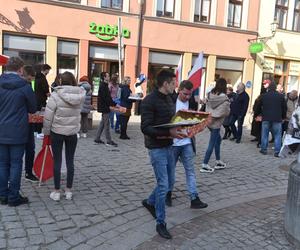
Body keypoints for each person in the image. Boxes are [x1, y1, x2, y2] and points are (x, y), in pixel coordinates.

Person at [141, 70, 185, 239]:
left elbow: (171, 121)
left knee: (170, 182)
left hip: (169, 146)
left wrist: (184, 125)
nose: (176, 86)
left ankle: (150, 202)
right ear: (166, 84)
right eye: (174, 83)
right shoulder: (148, 101)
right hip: (156, 148)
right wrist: (169, 132)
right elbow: (145, 127)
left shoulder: (169, 98)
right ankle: (161, 223)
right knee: (164, 185)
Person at [43, 71, 85, 201]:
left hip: (57, 131)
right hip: (72, 132)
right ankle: (68, 190)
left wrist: (46, 132)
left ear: (60, 81)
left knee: (57, 161)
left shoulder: (55, 96)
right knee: (70, 160)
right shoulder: (80, 94)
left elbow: (48, 117)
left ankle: (56, 191)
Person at [0, 57, 37, 206]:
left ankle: (2, 195)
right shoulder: (25, 86)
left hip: (1, 130)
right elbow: (33, 108)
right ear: (21, 69)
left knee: (2, 163)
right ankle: (13, 197)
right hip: (18, 131)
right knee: (15, 164)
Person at [167, 80, 208, 209]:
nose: (187, 97)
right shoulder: (170, 101)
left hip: (187, 141)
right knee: (170, 170)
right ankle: (167, 193)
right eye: (185, 94)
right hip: (172, 142)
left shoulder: (192, 102)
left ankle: (194, 197)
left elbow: (194, 119)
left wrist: (199, 124)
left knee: (190, 170)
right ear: (179, 90)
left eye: (189, 94)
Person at [200, 78, 230, 173]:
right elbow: (224, 111)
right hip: (216, 124)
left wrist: (210, 115)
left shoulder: (211, 94)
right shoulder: (224, 97)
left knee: (218, 140)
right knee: (212, 143)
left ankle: (218, 161)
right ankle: (205, 164)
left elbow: (209, 108)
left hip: (209, 121)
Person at [258, 82, 287, 157]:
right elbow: (284, 108)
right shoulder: (281, 96)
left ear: (269, 88)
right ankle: (277, 151)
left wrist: (259, 114)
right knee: (278, 135)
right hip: (277, 118)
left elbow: (258, 106)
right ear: (275, 88)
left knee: (265, 134)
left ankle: (264, 149)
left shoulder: (264, 96)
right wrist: (283, 117)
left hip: (266, 117)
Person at [22, 65, 39, 182]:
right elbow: (33, 107)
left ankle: (7, 178)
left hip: (8, 124)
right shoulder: (26, 86)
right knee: (29, 148)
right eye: (31, 78)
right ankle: (28, 172)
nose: (32, 81)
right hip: (25, 122)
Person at [94, 72, 118, 147]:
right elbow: (106, 98)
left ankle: (97, 138)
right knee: (107, 124)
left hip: (105, 107)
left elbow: (108, 97)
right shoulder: (103, 86)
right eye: (107, 76)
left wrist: (112, 103)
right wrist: (114, 104)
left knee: (102, 123)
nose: (109, 77)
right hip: (104, 107)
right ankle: (109, 141)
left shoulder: (105, 85)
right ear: (104, 77)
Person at [35, 63, 51, 139]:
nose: (49, 72)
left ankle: (35, 131)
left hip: (36, 99)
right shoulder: (43, 78)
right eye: (48, 70)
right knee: (41, 116)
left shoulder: (36, 77)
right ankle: (39, 132)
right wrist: (51, 95)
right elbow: (46, 91)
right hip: (41, 100)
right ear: (46, 70)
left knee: (36, 115)